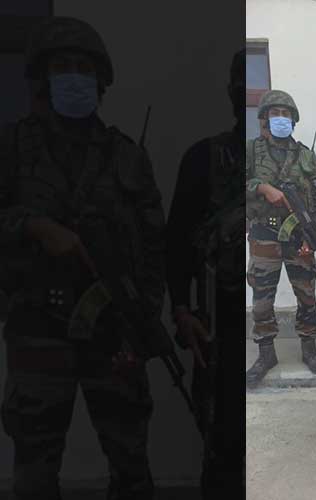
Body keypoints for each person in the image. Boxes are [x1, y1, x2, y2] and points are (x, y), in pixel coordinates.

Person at [0, 17, 165, 499]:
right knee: (34, 470)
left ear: (100, 80)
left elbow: (153, 247)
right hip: (37, 326)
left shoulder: (125, 156)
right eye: (62, 67)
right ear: (42, 78)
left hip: (111, 329)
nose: (75, 77)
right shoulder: (11, 148)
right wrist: (33, 226)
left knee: (131, 463)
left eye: (84, 68)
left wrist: (142, 320)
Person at [166, 50, 245, 498]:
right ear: (231, 92)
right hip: (218, 324)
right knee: (221, 447)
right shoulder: (205, 158)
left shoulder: (287, 161)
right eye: (242, 86)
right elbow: (177, 239)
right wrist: (180, 308)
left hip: (261, 313)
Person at [245, 89, 316, 385]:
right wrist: (261, 187)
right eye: (275, 113)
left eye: (286, 114)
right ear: (264, 118)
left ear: (293, 119)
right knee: (262, 299)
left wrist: (312, 235)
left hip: (297, 235)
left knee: (306, 294)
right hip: (263, 234)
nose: (281, 118)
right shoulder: (250, 150)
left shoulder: (305, 154)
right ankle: (266, 353)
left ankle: (309, 348)